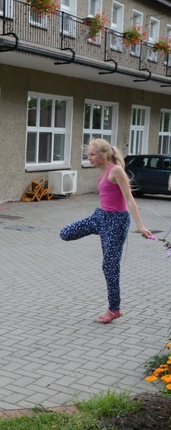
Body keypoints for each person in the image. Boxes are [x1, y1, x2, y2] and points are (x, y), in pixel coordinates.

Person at [60, 138, 152, 324]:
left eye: (92, 154)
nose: (89, 158)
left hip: (117, 222)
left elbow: (129, 199)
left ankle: (114, 309)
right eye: (89, 155)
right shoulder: (101, 173)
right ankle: (114, 307)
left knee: (109, 266)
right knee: (65, 233)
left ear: (104, 155)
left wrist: (140, 225)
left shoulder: (116, 171)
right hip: (100, 217)